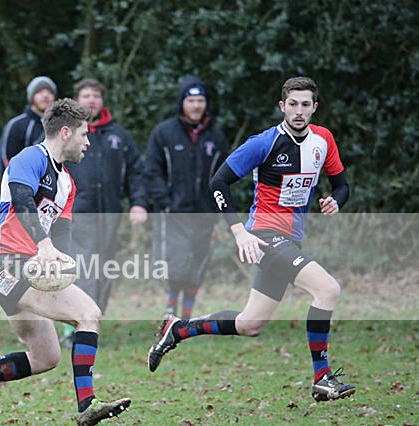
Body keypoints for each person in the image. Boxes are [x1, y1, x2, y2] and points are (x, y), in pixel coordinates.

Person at [146, 76, 355, 403]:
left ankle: (179, 329)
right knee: (327, 289)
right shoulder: (264, 143)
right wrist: (239, 231)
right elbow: (218, 183)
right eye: (292, 104)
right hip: (264, 236)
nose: (298, 111)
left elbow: (342, 184)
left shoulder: (323, 140)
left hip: (291, 239)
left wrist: (336, 201)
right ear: (282, 106)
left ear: (315, 107)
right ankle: (322, 377)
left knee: (250, 324)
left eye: (305, 105)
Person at [0, 98, 131, 426]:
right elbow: (22, 199)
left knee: (46, 356)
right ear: (66, 132)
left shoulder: (67, 183)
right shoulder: (30, 158)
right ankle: (87, 406)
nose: (88, 142)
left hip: (32, 268)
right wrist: (43, 246)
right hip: (8, 264)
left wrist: (64, 264)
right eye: (84, 134)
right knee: (89, 314)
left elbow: (63, 233)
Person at [144, 75, 230, 319]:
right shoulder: (164, 133)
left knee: (198, 260)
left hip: (204, 212)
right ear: (182, 102)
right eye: (191, 100)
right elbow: (152, 169)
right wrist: (165, 201)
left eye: (200, 100)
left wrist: (217, 206)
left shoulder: (216, 135)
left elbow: (225, 173)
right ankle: (171, 310)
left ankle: (187, 315)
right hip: (174, 211)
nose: (196, 105)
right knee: (177, 261)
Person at [64, 77, 148, 317]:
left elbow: (135, 171)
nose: (92, 100)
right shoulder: (66, 134)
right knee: (83, 266)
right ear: (76, 101)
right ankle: (79, 321)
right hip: (78, 212)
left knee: (105, 268)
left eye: (96, 96)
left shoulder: (118, 135)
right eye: (86, 96)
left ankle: (95, 318)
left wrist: (138, 203)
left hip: (111, 212)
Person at [0, 76, 57, 180]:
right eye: (39, 92)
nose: (45, 95)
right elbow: (5, 160)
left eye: (49, 92)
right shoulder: (16, 125)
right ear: (31, 97)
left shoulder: (60, 126)